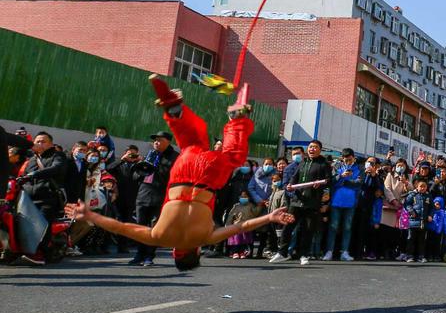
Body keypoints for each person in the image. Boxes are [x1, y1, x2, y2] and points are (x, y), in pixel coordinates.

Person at [66, 76, 294, 270]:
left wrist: (271, 217)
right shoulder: (160, 237)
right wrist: (89, 215)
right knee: (191, 143)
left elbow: (242, 226)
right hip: (182, 175)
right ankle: (174, 110)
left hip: (207, 181)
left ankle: (237, 118)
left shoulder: (205, 238)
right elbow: (121, 227)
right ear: (176, 251)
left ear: (196, 252)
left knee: (233, 156)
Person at [271, 140, 330, 266]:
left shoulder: (324, 164)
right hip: (296, 201)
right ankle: (282, 253)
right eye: (310, 147)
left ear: (320, 150)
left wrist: (320, 183)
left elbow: (329, 180)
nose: (312, 149)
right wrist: (290, 185)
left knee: (308, 229)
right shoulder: (303, 162)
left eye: (315, 147)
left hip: (312, 202)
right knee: (288, 227)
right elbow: (295, 177)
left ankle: (304, 255)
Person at [130, 128, 179, 267]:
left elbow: (173, 176)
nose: (156, 143)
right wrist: (140, 169)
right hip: (143, 194)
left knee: (154, 227)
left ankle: (149, 256)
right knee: (140, 227)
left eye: (159, 140)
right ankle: (139, 254)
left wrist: (155, 167)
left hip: (161, 196)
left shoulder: (174, 157)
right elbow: (135, 176)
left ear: (168, 142)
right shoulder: (149, 154)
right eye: (155, 140)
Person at [16, 131, 67, 224]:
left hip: (46, 201)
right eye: (37, 142)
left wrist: (35, 174)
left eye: (43, 142)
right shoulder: (31, 159)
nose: (40, 144)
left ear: (51, 144)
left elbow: (56, 168)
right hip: (27, 201)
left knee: (42, 231)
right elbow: (24, 176)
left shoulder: (57, 155)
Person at [322, 148, 362, 262]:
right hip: (336, 201)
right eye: (346, 159)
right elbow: (332, 181)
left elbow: (358, 184)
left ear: (354, 157)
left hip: (351, 202)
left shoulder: (359, 168)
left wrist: (345, 182)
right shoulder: (337, 167)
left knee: (347, 228)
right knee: (333, 227)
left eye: (350, 159)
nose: (348, 161)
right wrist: (341, 176)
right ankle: (329, 251)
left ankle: (344, 252)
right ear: (342, 158)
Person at [225, 189, 261, 258]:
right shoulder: (236, 206)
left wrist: (260, 206)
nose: (243, 198)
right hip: (236, 226)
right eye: (242, 197)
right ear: (239, 198)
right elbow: (230, 216)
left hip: (246, 226)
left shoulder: (251, 205)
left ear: (249, 198)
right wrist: (228, 225)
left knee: (244, 241)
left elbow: (256, 212)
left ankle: (242, 252)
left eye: (245, 197)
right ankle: (235, 252)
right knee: (236, 240)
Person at [403, 179, 430, 263]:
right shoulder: (412, 195)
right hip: (413, 221)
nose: (422, 188)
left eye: (424, 186)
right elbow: (407, 204)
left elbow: (431, 207)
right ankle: (409, 256)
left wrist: (430, 215)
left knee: (422, 240)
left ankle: (420, 256)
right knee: (411, 239)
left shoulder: (428, 196)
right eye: (420, 186)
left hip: (423, 222)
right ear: (417, 187)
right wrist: (411, 211)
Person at [426, 196, 446, 261]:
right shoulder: (432, 211)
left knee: (437, 244)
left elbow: (443, 222)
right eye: (435, 203)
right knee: (429, 243)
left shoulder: (443, 212)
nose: (436, 205)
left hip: (438, 231)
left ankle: (436, 256)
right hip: (431, 229)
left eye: (438, 204)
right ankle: (429, 256)